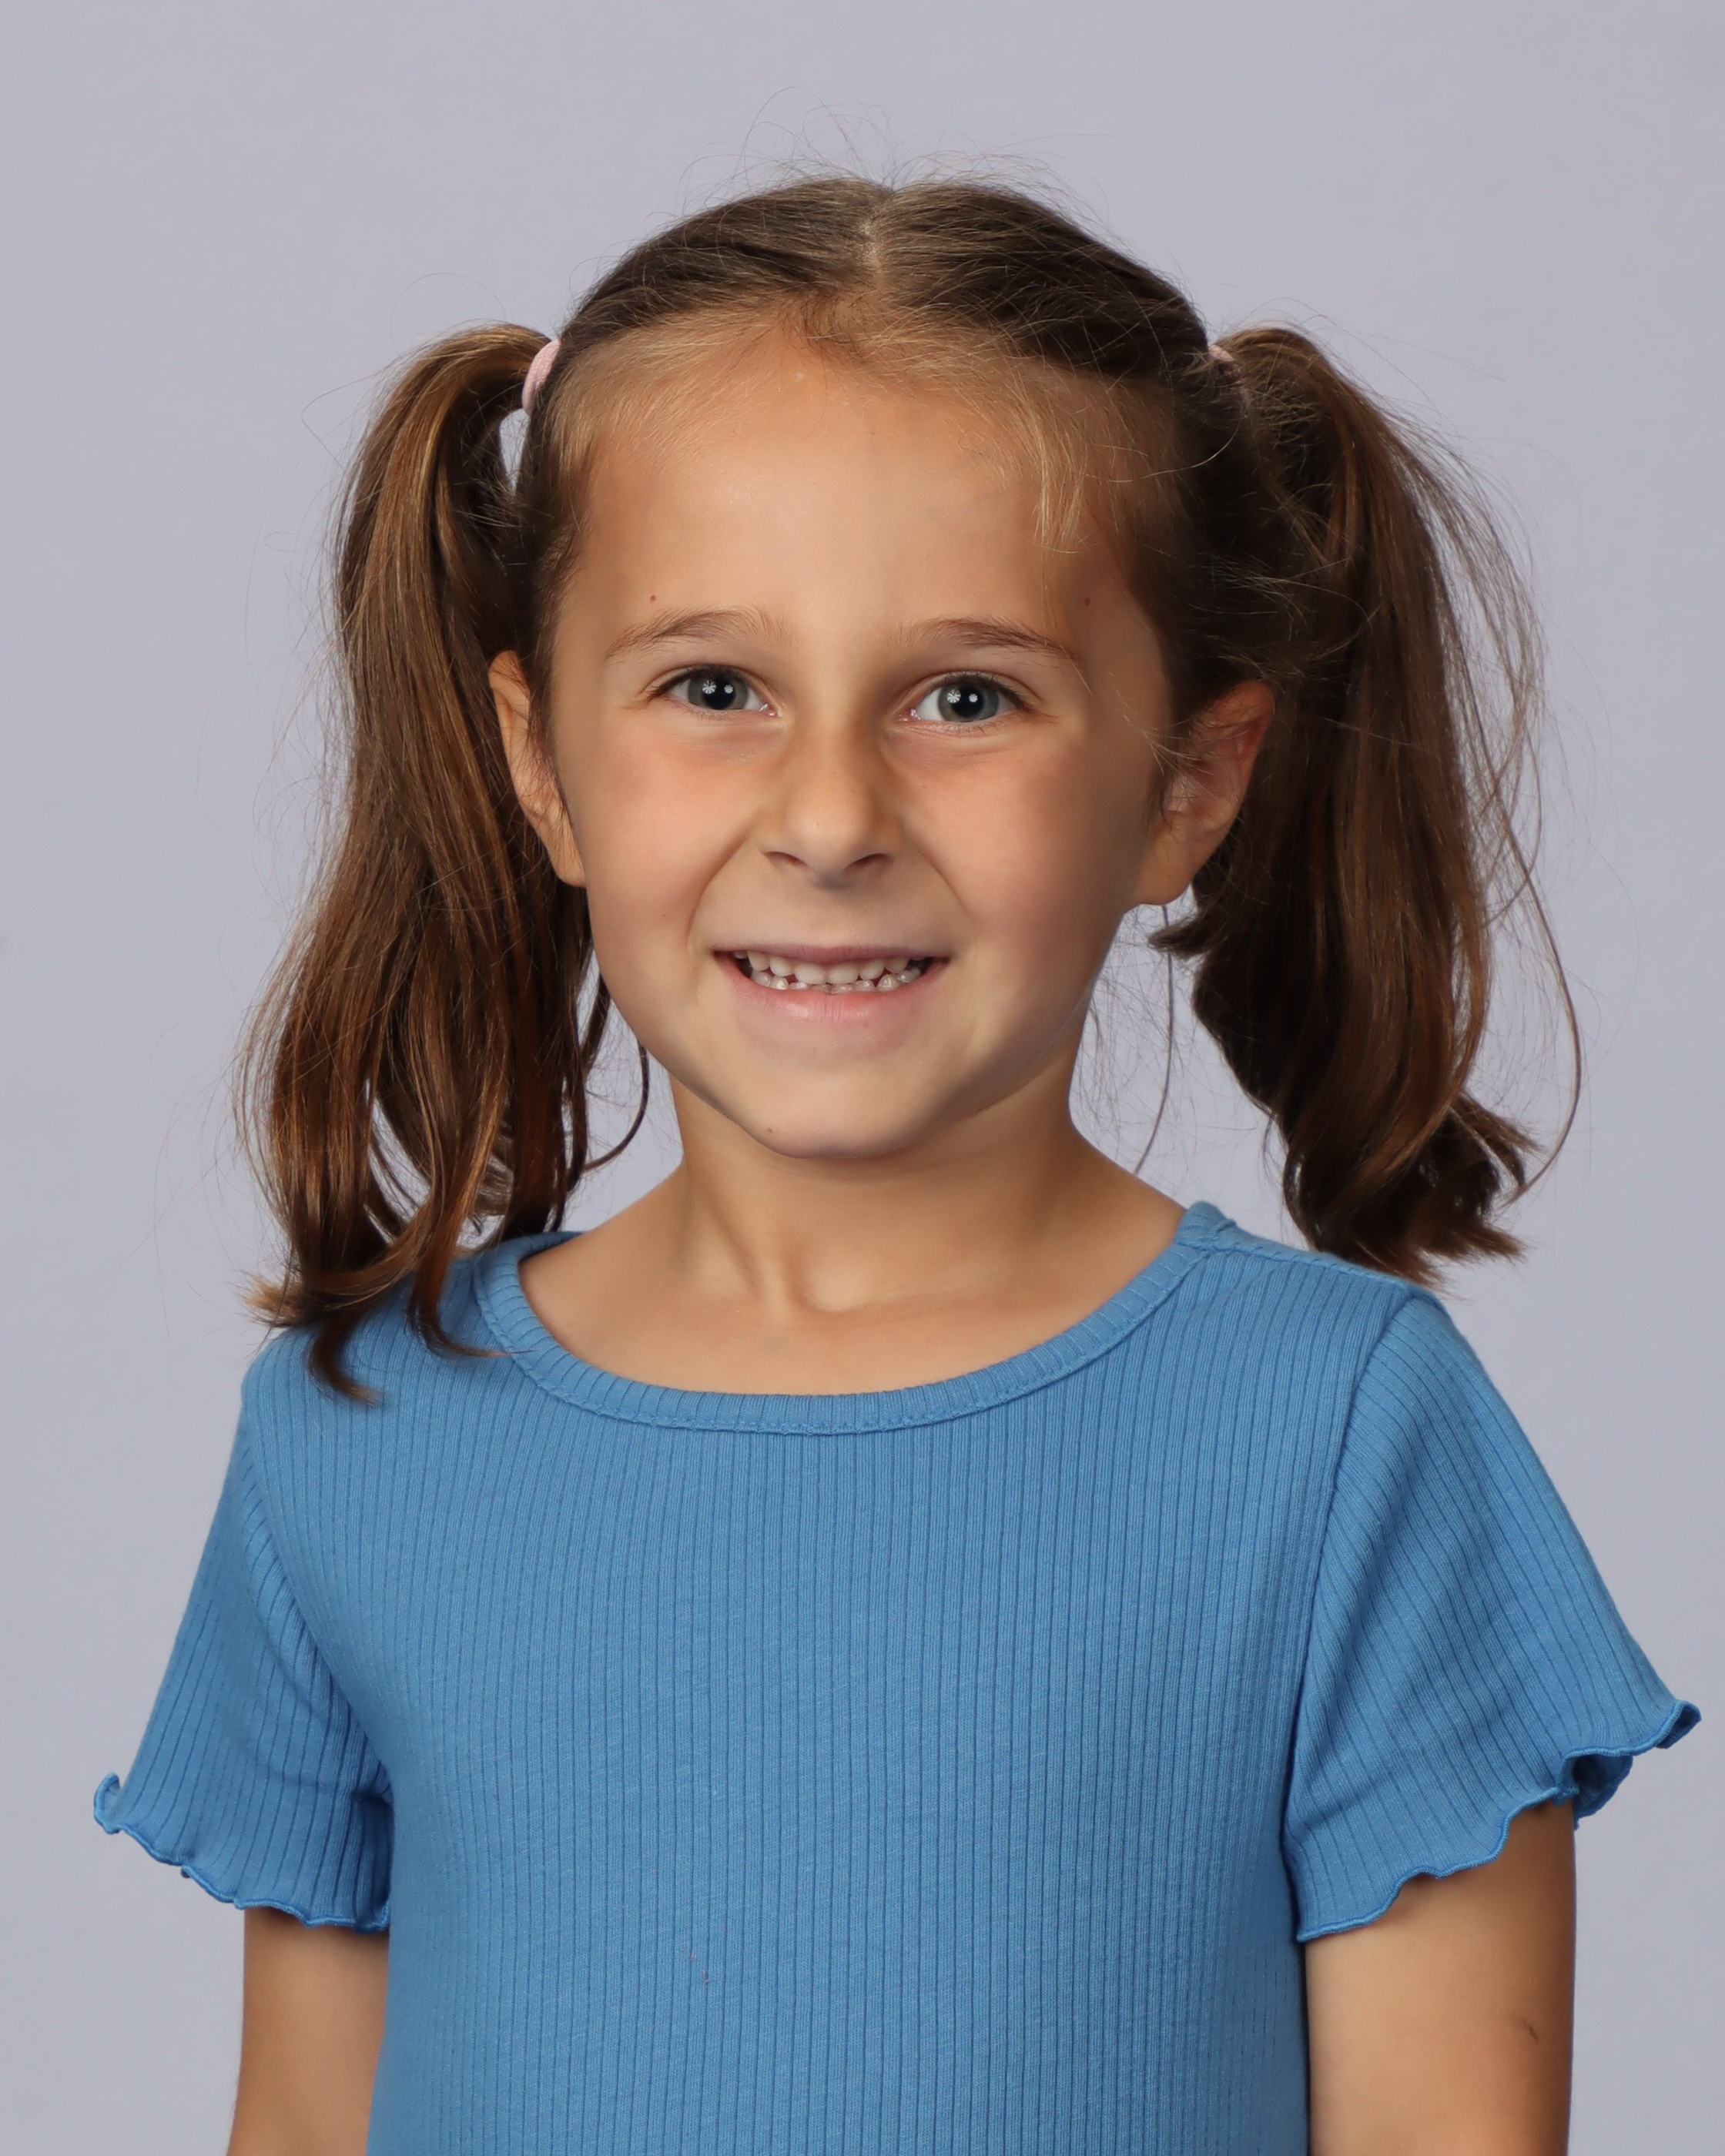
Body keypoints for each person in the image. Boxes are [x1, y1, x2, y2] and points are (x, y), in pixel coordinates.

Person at [95, 176, 1695, 2156]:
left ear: (1188, 780)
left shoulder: (1345, 1435)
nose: (832, 813)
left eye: (966, 695)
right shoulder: (355, 1432)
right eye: (712, 687)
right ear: (536, 762)